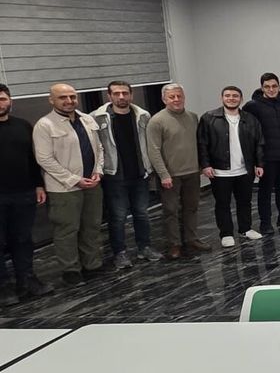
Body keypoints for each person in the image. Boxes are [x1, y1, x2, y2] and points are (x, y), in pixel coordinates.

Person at [33, 83, 105, 287]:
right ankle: (71, 270)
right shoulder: (44, 125)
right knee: (67, 230)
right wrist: (74, 179)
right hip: (64, 189)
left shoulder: (87, 119)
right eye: (62, 97)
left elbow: (99, 148)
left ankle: (92, 264)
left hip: (92, 184)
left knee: (91, 226)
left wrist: (98, 171)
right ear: (51, 100)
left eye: (72, 96)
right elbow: (44, 159)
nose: (69, 101)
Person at [91, 80, 161, 269]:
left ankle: (144, 247)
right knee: (118, 216)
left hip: (139, 173)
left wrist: (150, 168)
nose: (121, 97)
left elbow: (149, 144)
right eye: (116, 93)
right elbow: (96, 147)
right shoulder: (97, 118)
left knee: (142, 214)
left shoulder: (143, 116)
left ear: (131, 95)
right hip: (115, 176)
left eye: (125, 93)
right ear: (109, 96)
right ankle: (120, 253)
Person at [0, 83, 49, 305]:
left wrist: (38, 185)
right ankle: (4, 287)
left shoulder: (23, 125)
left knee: (23, 239)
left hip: (24, 193)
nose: (0, 103)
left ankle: (26, 280)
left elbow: (32, 158)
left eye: (3, 99)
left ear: (10, 101)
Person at [197, 86, 265, 247]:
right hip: (220, 171)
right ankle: (226, 233)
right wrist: (205, 165)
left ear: (241, 99)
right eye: (227, 95)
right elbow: (202, 144)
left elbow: (259, 143)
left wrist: (259, 163)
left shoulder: (250, 119)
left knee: (245, 202)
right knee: (222, 203)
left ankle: (245, 229)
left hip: (244, 169)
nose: (231, 98)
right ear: (222, 98)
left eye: (235, 96)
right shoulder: (209, 118)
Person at [146, 83, 207, 259]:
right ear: (164, 99)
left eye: (179, 96)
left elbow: (198, 143)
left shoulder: (193, 117)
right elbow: (153, 150)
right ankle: (174, 244)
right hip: (170, 176)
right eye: (172, 97)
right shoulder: (156, 121)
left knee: (191, 208)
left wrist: (201, 166)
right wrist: (163, 174)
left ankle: (191, 239)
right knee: (171, 211)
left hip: (192, 172)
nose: (176, 99)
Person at [244, 73, 280, 234]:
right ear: (262, 87)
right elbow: (250, 133)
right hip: (266, 157)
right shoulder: (252, 106)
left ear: (279, 86)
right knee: (265, 190)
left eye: (274, 86)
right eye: (267, 86)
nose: (271, 89)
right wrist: (256, 159)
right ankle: (265, 222)